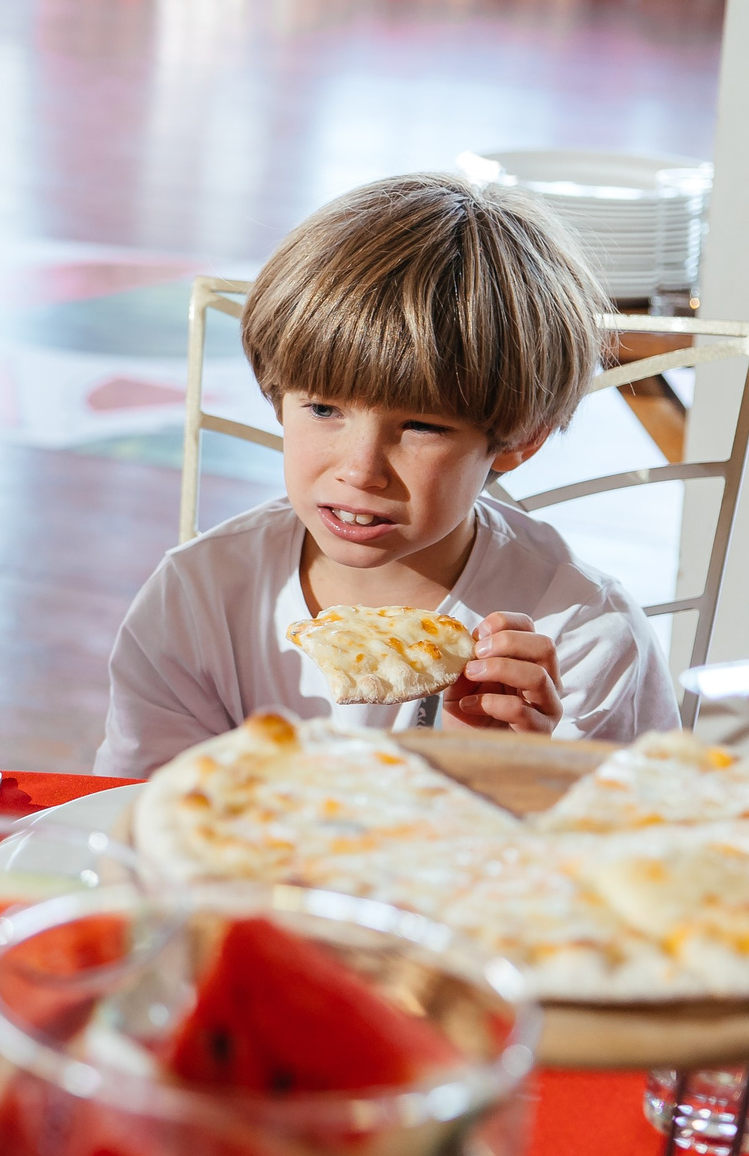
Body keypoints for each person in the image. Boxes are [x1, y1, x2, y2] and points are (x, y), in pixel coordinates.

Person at [95, 173, 679, 779]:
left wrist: (513, 778)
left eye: (422, 426)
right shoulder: (197, 599)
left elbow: (649, 847)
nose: (360, 470)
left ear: (517, 440)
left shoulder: (582, 635)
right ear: (277, 399)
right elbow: (136, 813)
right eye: (323, 409)